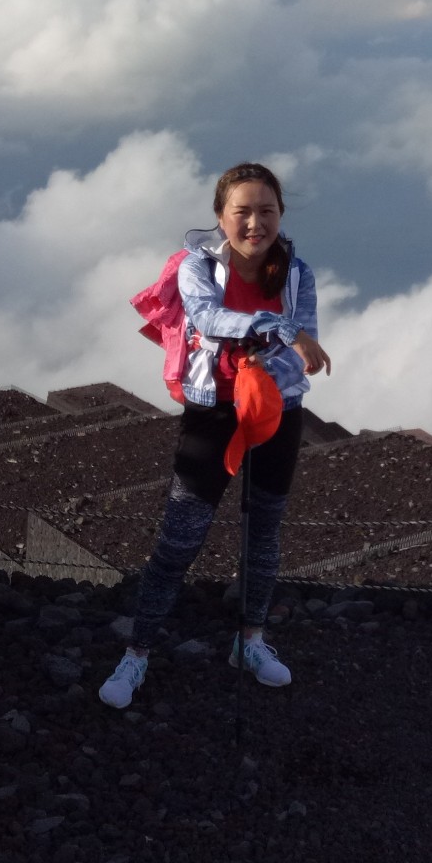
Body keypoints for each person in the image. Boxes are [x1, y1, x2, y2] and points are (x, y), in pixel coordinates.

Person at [99, 162, 331, 709]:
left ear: (281, 214)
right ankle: (137, 653)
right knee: (180, 538)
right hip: (212, 412)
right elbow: (206, 318)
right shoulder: (196, 266)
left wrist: (278, 345)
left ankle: (250, 641)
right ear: (220, 217)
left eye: (267, 211)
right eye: (242, 211)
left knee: (264, 533)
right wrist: (277, 330)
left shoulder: (298, 273)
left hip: (277, 409)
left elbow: (307, 345)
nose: (255, 222)